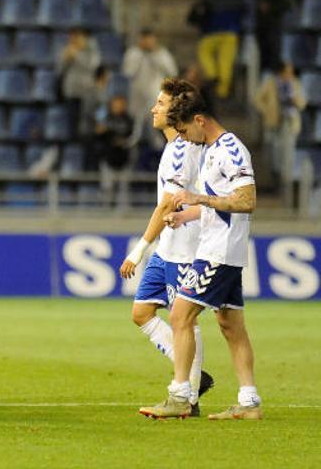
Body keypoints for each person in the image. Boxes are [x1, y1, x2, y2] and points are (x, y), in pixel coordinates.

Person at [140, 89, 261, 420]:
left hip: (218, 252)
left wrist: (201, 199)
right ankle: (249, 403)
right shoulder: (210, 151)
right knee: (230, 326)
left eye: (184, 131)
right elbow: (216, 202)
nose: (184, 138)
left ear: (199, 120)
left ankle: (181, 395)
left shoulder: (230, 149)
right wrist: (186, 214)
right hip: (221, 248)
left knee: (180, 316)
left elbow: (246, 199)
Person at [119, 78, 214, 417]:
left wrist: (138, 250)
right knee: (141, 313)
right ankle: (192, 376)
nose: (153, 109)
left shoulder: (183, 153)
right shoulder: (175, 148)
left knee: (183, 321)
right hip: (167, 248)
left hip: (184, 250)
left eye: (160, 104)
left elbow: (167, 208)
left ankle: (187, 396)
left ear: (176, 112)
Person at [253, 62, 306, 197]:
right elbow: (258, 99)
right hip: (274, 122)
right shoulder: (271, 83)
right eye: (288, 71)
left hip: (290, 123)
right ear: (281, 72)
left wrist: (295, 99)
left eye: (291, 72)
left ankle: (285, 183)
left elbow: (302, 103)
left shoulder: (295, 84)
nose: (290, 74)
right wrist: (267, 111)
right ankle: (274, 180)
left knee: (287, 154)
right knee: (274, 153)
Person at [188, 0, 246, 99]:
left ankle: (212, 74)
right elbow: (244, 13)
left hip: (211, 33)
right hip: (230, 33)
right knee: (226, 62)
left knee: (204, 51)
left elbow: (196, 14)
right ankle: (222, 93)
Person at [122, 28, 178, 145]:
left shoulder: (162, 54)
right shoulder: (133, 53)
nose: (147, 42)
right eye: (144, 39)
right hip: (138, 98)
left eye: (150, 39)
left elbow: (173, 72)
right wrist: (141, 56)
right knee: (137, 132)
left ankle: (159, 151)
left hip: (156, 98)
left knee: (156, 133)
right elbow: (127, 72)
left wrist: (155, 55)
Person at [55, 28, 101, 131]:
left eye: (77, 36)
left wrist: (77, 55)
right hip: (71, 92)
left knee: (88, 123)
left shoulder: (92, 50)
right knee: (72, 124)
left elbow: (92, 66)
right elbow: (59, 70)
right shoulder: (67, 49)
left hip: (87, 93)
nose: (75, 39)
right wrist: (65, 59)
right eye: (72, 36)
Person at [93, 95, 134, 207]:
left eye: (122, 103)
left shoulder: (129, 120)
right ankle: (106, 212)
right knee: (107, 188)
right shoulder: (106, 119)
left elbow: (132, 137)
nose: (119, 106)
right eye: (117, 103)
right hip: (108, 159)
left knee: (124, 189)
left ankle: (124, 215)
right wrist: (101, 131)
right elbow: (97, 134)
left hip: (124, 159)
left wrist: (122, 141)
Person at [255, 0, 294, 73]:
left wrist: (270, 7)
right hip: (262, 27)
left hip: (274, 25)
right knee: (263, 57)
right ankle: (265, 82)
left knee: (274, 55)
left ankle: (274, 79)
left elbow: (287, 4)